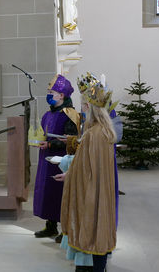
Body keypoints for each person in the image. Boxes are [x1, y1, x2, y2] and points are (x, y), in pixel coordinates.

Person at [55, 82, 117, 272]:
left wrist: (68, 175)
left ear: (88, 107)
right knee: (101, 230)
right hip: (102, 189)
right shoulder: (106, 132)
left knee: (93, 228)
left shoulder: (93, 134)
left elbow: (84, 168)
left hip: (91, 190)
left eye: (82, 106)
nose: (81, 109)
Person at [33, 74, 79, 243]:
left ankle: (65, 230)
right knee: (47, 192)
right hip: (46, 158)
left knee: (60, 194)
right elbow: (44, 134)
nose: (48, 95)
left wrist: (51, 145)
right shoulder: (48, 114)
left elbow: (72, 139)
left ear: (61, 95)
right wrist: (39, 141)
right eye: (48, 91)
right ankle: (51, 226)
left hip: (62, 160)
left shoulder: (70, 114)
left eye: (51, 92)